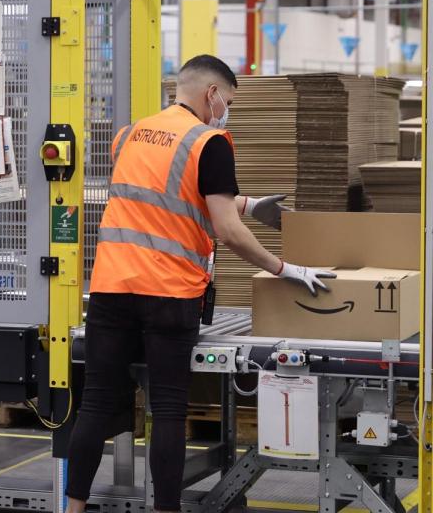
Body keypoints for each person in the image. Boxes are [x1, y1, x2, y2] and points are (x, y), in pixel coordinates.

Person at [64, 55, 335, 513]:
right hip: (169, 293)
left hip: (111, 287)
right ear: (212, 94)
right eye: (227, 100)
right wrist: (283, 268)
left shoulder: (129, 134)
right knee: (168, 409)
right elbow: (224, 230)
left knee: (94, 405)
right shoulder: (211, 142)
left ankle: (72, 509)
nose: (225, 109)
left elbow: (165, 196)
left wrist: (247, 203)